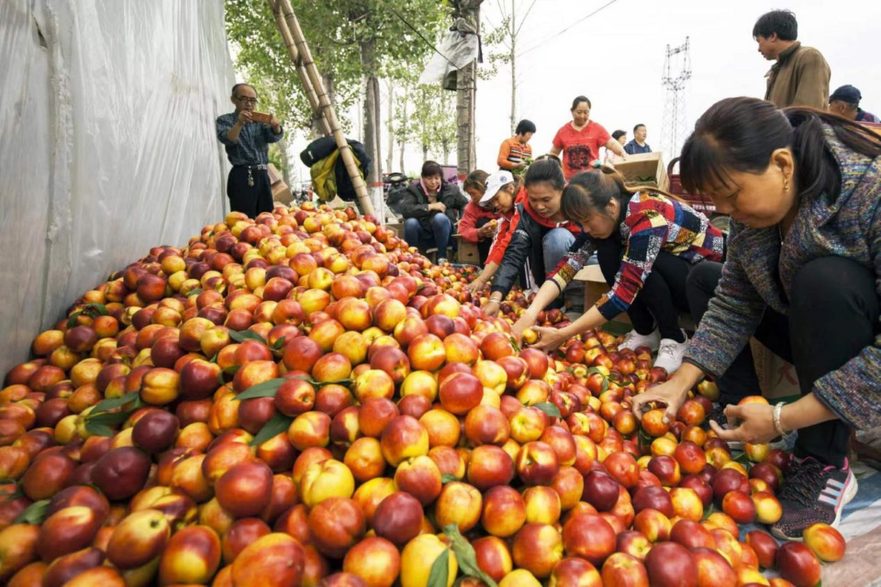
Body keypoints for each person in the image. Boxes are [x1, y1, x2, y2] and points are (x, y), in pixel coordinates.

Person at [632, 97, 881, 539]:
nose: (727, 212)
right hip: (816, 328)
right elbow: (733, 301)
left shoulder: (868, 190)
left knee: (823, 279)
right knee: (707, 279)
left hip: (864, 351)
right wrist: (680, 381)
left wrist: (788, 418)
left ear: (783, 164)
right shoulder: (754, 214)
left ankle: (823, 459)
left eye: (730, 196)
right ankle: (745, 410)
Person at [511, 168, 724, 373]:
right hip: (673, 271)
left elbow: (623, 291)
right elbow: (568, 265)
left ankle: (674, 338)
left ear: (611, 206)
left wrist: (564, 334)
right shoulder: (604, 217)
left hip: (699, 281)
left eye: (586, 221)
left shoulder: (646, 216)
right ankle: (645, 330)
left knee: (643, 259)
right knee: (608, 250)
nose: (585, 230)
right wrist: (531, 313)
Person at [481, 159, 582, 317]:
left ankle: (576, 303)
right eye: (533, 200)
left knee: (558, 238)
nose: (539, 206)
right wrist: (495, 297)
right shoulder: (526, 213)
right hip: (548, 277)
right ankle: (554, 303)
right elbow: (514, 254)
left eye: (546, 200)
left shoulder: (579, 204)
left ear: (562, 189)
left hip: (586, 264)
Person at [216, 83, 284, 218]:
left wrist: (276, 126)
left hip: (263, 174)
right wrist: (239, 123)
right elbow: (229, 139)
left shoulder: (260, 121)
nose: (249, 104)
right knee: (243, 220)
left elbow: (272, 136)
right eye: (244, 99)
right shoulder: (225, 120)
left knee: (266, 218)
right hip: (242, 174)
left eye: (253, 100)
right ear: (233, 99)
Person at [753, 10, 830, 109]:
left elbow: (807, 112)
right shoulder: (778, 69)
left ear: (772, 36)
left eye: (759, 41)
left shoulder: (809, 56)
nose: (759, 49)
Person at [466, 170, 528, 294]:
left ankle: (532, 290)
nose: (495, 205)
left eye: (497, 198)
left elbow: (507, 241)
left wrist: (482, 279)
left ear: (510, 188)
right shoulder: (506, 213)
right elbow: (498, 243)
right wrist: (484, 275)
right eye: (492, 202)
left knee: (520, 240)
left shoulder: (523, 203)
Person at [400, 161, 468, 262]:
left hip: (445, 233)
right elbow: (406, 210)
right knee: (410, 223)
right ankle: (411, 258)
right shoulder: (413, 190)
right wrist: (429, 207)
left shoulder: (451, 189)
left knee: (440, 218)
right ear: (422, 177)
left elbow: (465, 204)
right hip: (424, 234)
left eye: (436, 178)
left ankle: (442, 258)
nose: (433, 182)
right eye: (429, 178)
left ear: (441, 177)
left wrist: (462, 219)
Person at [550, 96, 627, 180]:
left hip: (592, 180)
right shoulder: (563, 131)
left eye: (586, 112)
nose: (582, 116)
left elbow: (612, 144)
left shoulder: (597, 129)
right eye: (579, 112)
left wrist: (623, 153)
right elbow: (554, 153)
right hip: (569, 181)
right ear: (572, 111)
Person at [459, 170, 501, 263]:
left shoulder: (502, 198)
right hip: (486, 244)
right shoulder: (471, 207)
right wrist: (480, 232)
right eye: (470, 195)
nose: (472, 198)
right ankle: (486, 265)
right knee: (481, 222)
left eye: (473, 193)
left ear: (484, 189)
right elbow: (465, 229)